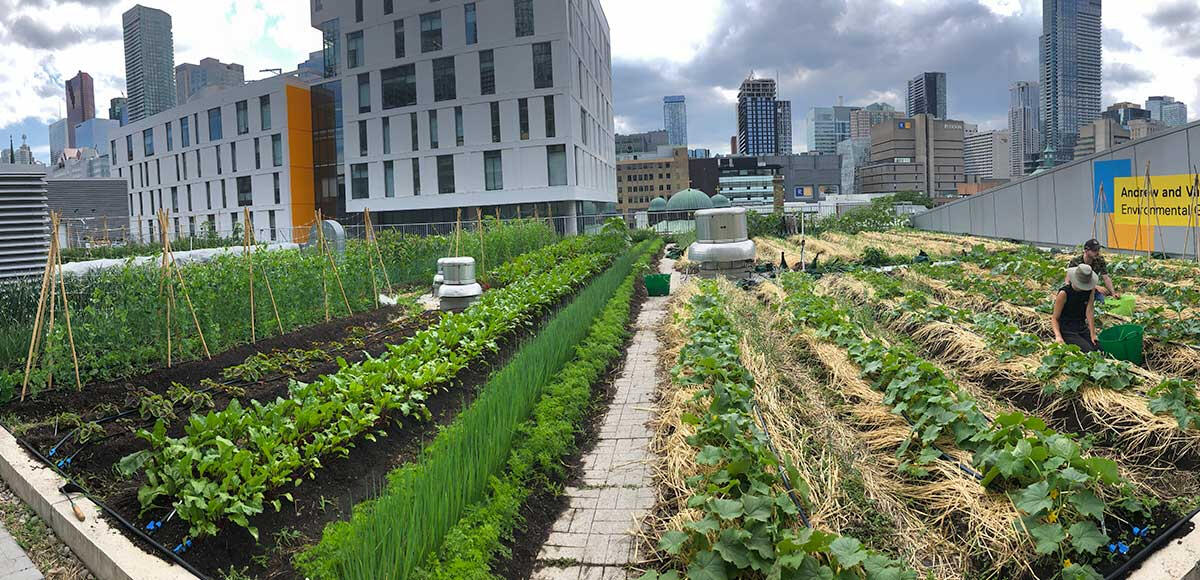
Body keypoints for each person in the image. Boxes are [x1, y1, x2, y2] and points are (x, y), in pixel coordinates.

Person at [1052, 264, 1099, 352]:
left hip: (1081, 326)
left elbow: (1090, 310)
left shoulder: (1090, 290)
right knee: (1088, 351)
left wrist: (1093, 334)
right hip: (1067, 329)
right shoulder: (1064, 293)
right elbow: (1055, 318)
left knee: (1099, 348)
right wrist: (1058, 336)